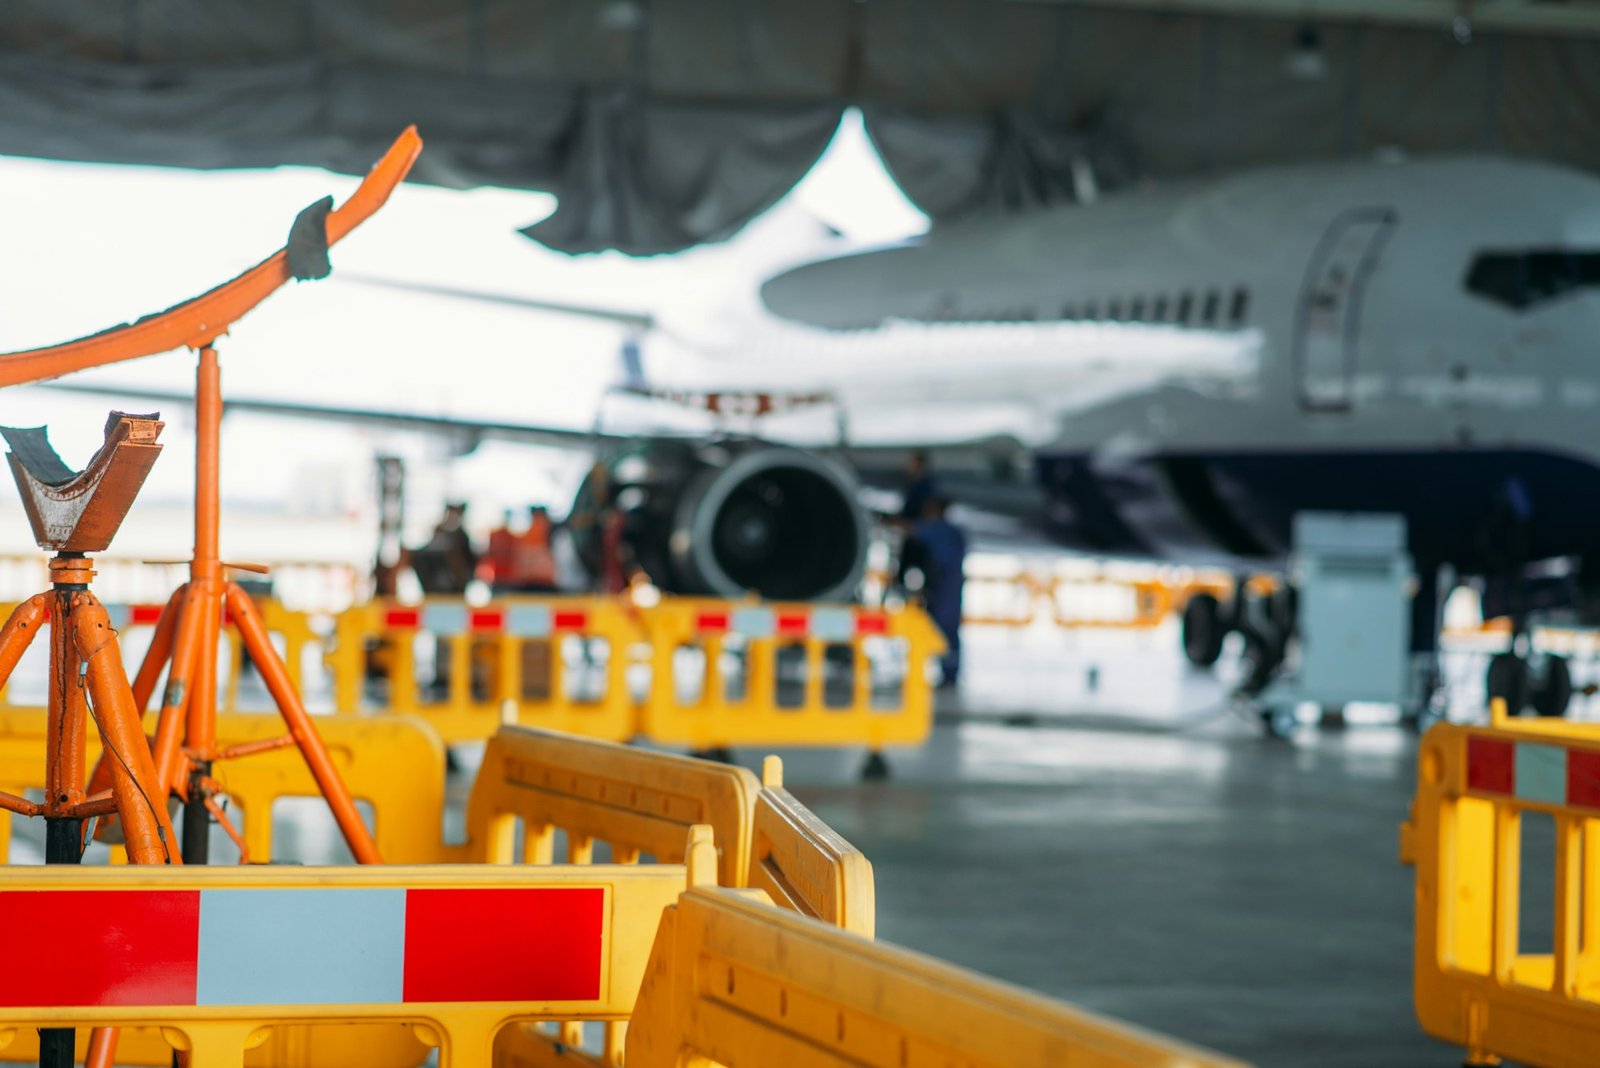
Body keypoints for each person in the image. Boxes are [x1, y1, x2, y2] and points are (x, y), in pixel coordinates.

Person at [913, 496, 967, 688]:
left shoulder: (939, 530)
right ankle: (950, 674)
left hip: (944, 587)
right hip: (950, 587)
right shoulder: (955, 532)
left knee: (943, 630)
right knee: (949, 631)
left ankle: (949, 674)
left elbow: (914, 531)